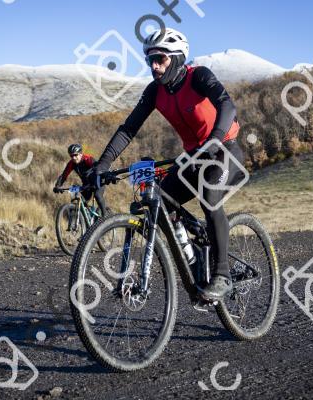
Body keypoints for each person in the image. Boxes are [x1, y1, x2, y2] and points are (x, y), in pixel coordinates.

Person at [89, 28, 245, 301]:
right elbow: (128, 129)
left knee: (210, 196)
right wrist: (102, 165)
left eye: (160, 59)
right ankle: (197, 252)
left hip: (225, 150)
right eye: (150, 60)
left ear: (177, 58)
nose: (154, 66)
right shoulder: (155, 91)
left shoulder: (199, 76)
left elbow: (226, 105)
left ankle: (222, 275)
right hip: (193, 156)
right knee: (160, 200)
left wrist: (215, 139)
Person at [53, 144, 107, 215]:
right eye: (71, 156)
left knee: (97, 195)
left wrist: (96, 181)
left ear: (81, 154)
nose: (73, 158)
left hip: (98, 181)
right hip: (86, 185)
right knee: (81, 204)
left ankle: (105, 215)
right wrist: (57, 186)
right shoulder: (71, 163)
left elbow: (98, 169)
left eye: (75, 155)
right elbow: (64, 175)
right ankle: (85, 219)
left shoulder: (87, 159)